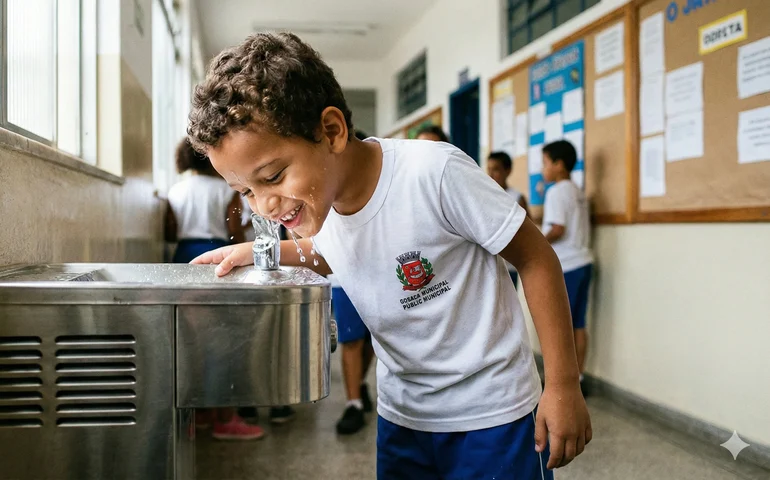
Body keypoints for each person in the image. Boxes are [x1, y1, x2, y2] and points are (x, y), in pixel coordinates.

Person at [187, 33, 591, 478]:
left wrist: (563, 385)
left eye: (274, 176)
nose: (263, 205)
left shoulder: (433, 173)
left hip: (493, 415)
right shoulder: (325, 204)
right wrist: (256, 250)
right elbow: (332, 253)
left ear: (332, 132)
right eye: (246, 191)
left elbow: (536, 258)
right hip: (403, 417)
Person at [165, 138, 265, 440]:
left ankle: (196, 416)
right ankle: (226, 418)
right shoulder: (225, 190)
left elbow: (169, 231)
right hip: (218, 259)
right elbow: (235, 231)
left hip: (184, 259)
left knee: (191, 339)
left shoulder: (175, 190)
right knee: (225, 338)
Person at [541, 140, 594, 395]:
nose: (544, 169)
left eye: (545, 163)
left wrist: (537, 242)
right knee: (578, 324)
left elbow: (558, 229)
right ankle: (579, 378)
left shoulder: (556, 191)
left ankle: (562, 384)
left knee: (561, 327)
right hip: (584, 261)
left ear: (559, 165)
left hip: (568, 266)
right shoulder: (578, 190)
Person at [487, 150, 530, 288]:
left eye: (496, 170)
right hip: (487, 263)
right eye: (488, 169)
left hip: (509, 265)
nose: (491, 174)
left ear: (508, 171)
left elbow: (527, 230)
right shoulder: (484, 195)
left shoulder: (516, 197)